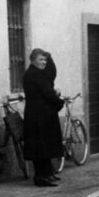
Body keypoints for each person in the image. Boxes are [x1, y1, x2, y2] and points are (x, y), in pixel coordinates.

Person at [22, 49, 65, 187]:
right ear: (33, 60)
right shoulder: (34, 74)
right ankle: (40, 176)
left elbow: (52, 73)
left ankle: (47, 173)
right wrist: (59, 102)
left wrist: (49, 56)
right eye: (41, 60)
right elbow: (47, 93)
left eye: (45, 60)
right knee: (40, 147)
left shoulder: (39, 73)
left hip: (41, 114)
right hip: (38, 116)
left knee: (45, 145)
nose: (44, 63)